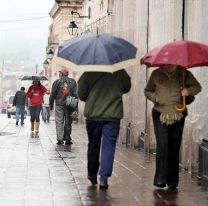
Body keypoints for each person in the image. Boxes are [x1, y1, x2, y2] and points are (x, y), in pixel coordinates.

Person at [144, 65, 201, 190]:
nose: (168, 65)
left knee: (174, 146)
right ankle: (160, 178)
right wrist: (156, 98)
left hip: (178, 114)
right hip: (160, 113)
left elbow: (197, 87)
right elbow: (147, 91)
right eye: (166, 62)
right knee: (163, 144)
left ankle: (172, 181)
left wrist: (188, 91)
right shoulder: (156, 74)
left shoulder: (184, 74)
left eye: (172, 62)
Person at [78, 69, 131, 189]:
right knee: (109, 145)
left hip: (93, 115)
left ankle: (92, 174)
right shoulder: (120, 71)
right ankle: (104, 178)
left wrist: (93, 98)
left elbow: (81, 95)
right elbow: (126, 87)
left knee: (93, 145)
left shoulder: (88, 73)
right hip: (112, 115)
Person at [49, 66, 77, 145]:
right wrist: (75, 106)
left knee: (59, 121)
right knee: (68, 121)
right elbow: (75, 94)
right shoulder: (73, 82)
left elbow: (52, 94)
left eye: (60, 73)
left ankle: (60, 139)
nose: (59, 74)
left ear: (62, 74)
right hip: (70, 104)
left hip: (59, 104)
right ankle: (67, 138)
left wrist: (51, 104)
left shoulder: (56, 82)